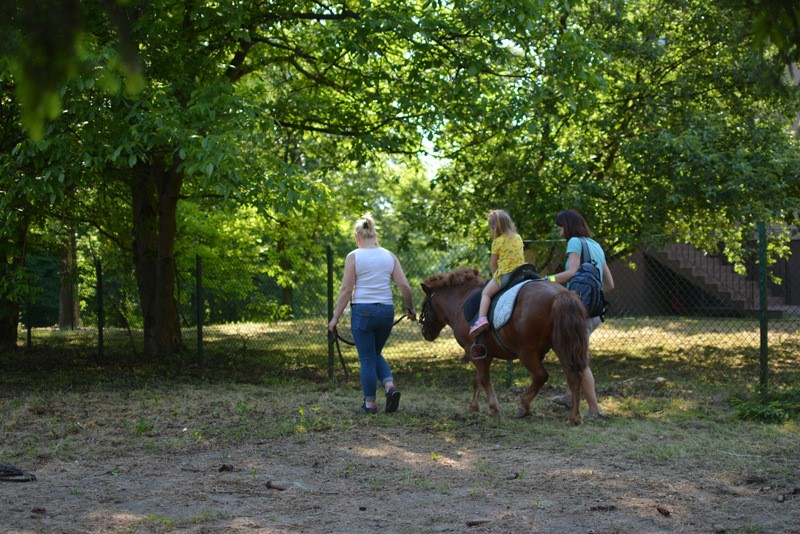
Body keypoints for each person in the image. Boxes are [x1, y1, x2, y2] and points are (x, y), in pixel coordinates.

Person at [328, 213, 417, 415]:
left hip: (363, 312)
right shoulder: (389, 256)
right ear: (375, 236)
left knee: (367, 358)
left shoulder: (354, 256)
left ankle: (370, 404)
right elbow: (404, 286)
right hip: (386, 311)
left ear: (357, 237)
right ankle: (390, 386)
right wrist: (410, 308)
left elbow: (346, 290)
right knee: (375, 353)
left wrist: (335, 319)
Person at [547, 209, 615, 419]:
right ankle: (569, 396)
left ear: (568, 226)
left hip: (579, 312)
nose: (560, 232)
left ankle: (594, 410)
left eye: (560, 227)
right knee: (578, 352)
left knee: (580, 359)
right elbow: (610, 285)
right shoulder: (596, 245)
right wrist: (592, 295)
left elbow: (572, 273)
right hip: (595, 311)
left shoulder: (574, 242)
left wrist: (547, 280)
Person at [469, 209, 526, 338]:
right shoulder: (518, 237)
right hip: (520, 274)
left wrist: (495, 276)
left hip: (505, 275)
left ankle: (482, 319)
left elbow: (494, 264)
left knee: (486, 293)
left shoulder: (497, 241)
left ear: (493, 227)